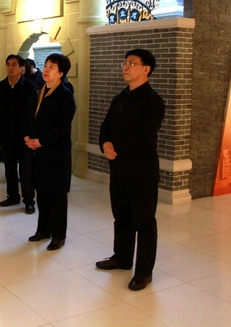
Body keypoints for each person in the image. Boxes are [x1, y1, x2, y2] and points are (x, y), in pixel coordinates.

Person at [96, 49, 165, 292]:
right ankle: (122, 258)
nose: (126, 67)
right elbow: (106, 125)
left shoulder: (153, 101)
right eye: (125, 63)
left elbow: (144, 134)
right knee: (122, 217)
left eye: (132, 63)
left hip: (141, 170)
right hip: (118, 168)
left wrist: (115, 148)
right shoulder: (120, 98)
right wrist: (105, 143)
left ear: (146, 69)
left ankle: (144, 272)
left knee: (144, 222)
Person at [23, 53, 76, 251]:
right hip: (37, 151)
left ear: (61, 73)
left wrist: (41, 141)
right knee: (42, 192)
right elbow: (26, 117)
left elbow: (62, 126)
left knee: (57, 195)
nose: (46, 70)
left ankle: (59, 235)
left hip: (56, 153)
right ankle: (43, 229)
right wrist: (26, 136)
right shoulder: (37, 91)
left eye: (51, 67)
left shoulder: (65, 95)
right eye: (45, 65)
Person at [0, 55, 36, 213]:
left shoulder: (29, 87)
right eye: (8, 64)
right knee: (9, 169)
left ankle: (28, 200)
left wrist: (33, 135)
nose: (10, 67)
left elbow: (33, 114)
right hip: (6, 134)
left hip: (25, 136)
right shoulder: (0, 86)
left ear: (21, 68)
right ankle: (13, 196)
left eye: (14, 64)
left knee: (26, 170)